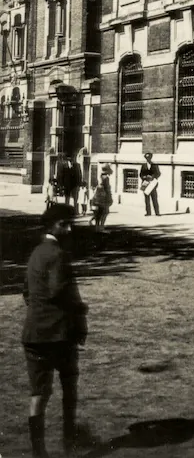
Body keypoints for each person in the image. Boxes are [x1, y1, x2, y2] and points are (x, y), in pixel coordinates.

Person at [22, 203, 88, 458]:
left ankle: (39, 453)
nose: (69, 229)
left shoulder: (36, 252)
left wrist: (40, 313)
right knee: (69, 388)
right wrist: (80, 312)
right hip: (60, 334)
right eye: (65, 224)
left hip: (34, 334)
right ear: (54, 226)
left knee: (38, 393)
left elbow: (27, 292)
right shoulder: (58, 254)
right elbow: (59, 291)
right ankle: (68, 445)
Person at [89, 165, 113, 231]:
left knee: (98, 212)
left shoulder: (100, 176)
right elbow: (107, 188)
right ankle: (101, 226)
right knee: (105, 212)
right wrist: (109, 197)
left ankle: (97, 227)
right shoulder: (106, 178)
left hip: (97, 196)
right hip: (104, 197)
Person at [139, 152, 161, 217]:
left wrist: (153, 177)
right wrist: (144, 177)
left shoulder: (154, 165)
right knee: (146, 199)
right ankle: (148, 212)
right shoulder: (143, 165)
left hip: (152, 183)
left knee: (154, 198)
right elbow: (141, 174)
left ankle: (157, 212)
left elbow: (158, 173)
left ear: (151, 158)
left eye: (149, 157)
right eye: (146, 158)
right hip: (145, 183)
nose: (148, 159)